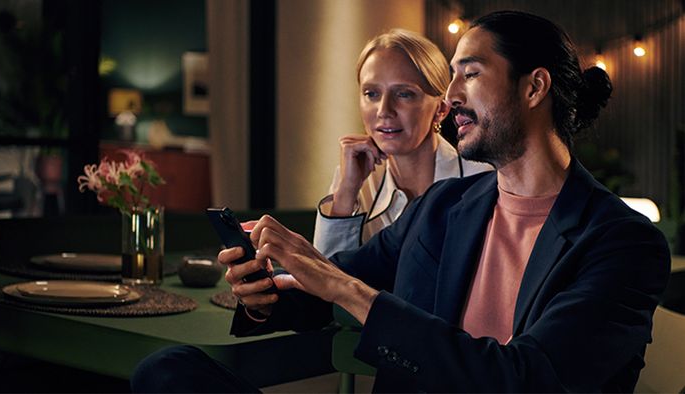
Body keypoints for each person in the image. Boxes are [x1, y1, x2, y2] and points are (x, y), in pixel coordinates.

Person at [131, 10, 670, 393]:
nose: (452, 95)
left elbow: (525, 378)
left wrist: (342, 285)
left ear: (534, 89)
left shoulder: (623, 242)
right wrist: (264, 291)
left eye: (472, 75)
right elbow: (327, 289)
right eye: (451, 75)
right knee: (171, 371)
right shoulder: (446, 206)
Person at [313, 29, 491, 257]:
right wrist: (346, 192)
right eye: (371, 94)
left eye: (404, 94)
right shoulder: (353, 179)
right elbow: (324, 282)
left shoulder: (481, 179)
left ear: (441, 110)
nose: (384, 111)